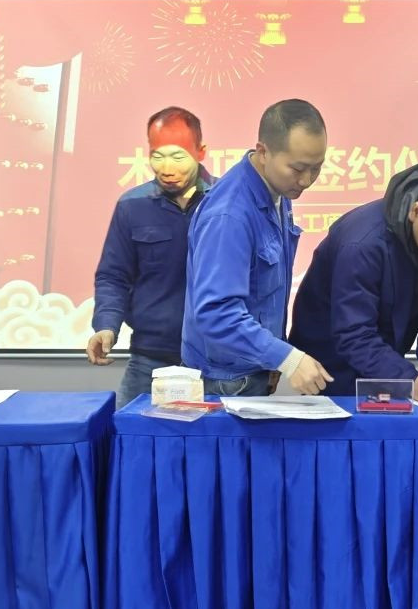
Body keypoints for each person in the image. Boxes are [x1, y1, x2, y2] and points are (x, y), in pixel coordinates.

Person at [288, 163, 418, 400]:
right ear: (416, 212)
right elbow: (354, 334)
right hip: (331, 367)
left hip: (384, 360)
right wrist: (410, 381)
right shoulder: (363, 245)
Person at [181, 98, 333, 396]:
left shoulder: (279, 191)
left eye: (316, 168)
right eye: (298, 168)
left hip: (254, 368)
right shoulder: (230, 215)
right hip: (226, 380)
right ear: (263, 152)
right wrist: (287, 358)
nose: (306, 180)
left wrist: (274, 356)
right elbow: (216, 314)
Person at [87, 106, 213, 408]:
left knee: (216, 439)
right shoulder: (132, 206)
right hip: (150, 361)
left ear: (200, 152)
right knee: (128, 436)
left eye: (178, 157)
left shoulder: (225, 203)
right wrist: (106, 325)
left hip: (218, 363)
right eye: (157, 156)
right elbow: (113, 276)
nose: (166, 168)